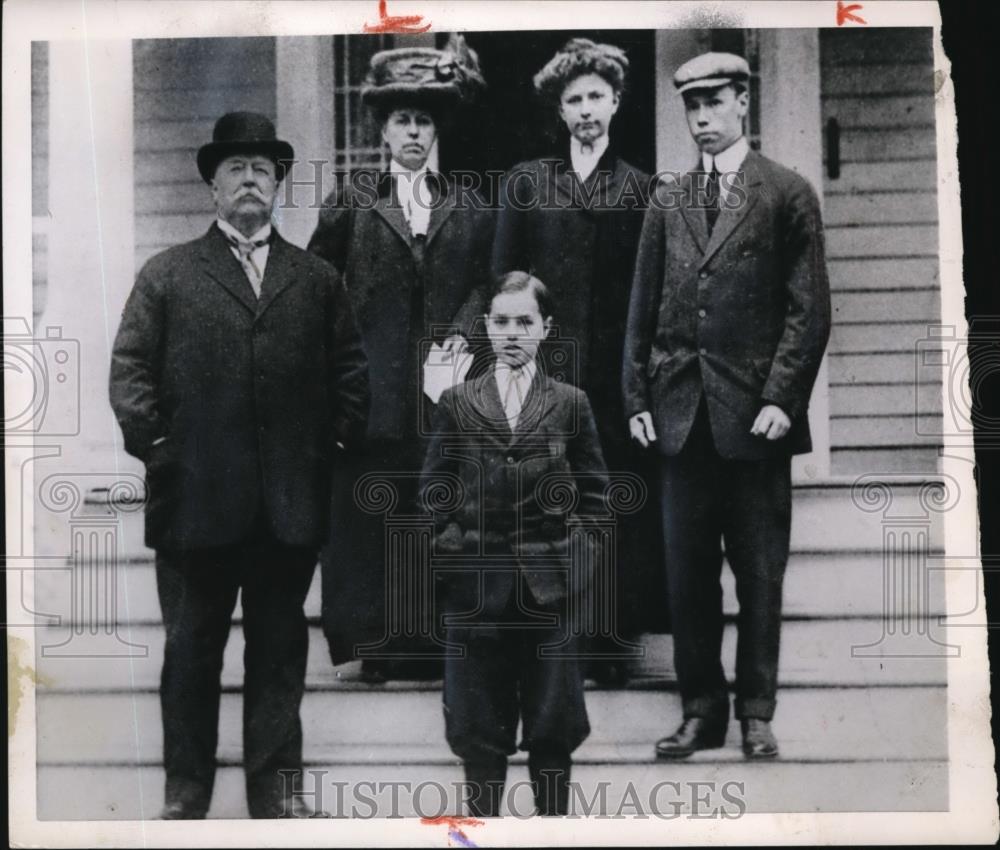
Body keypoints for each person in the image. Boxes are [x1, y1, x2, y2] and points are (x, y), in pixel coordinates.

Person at [109, 112, 369, 819]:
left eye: (263, 168)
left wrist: (327, 454)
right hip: (194, 506)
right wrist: (160, 452)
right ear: (212, 186)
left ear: (279, 183)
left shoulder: (314, 279)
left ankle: (277, 797)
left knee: (279, 659)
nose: (250, 178)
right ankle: (185, 795)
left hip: (286, 510)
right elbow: (130, 372)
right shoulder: (166, 275)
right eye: (235, 168)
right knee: (190, 658)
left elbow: (351, 375)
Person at [622, 53, 831, 760]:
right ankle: (701, 711)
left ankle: (756, 715)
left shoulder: (787, 193)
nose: (703, 117)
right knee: (687, 580)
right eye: (692, 106)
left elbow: (809, 313)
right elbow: (642, 311)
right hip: (681, 418)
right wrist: (636, 397)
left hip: (755, 422)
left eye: (716, 102)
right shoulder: (667, 199)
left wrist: (782, 399)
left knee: (760, 575)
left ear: (744, 101)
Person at [308, 36, 494, 682]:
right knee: (375, 512)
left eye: (423, 120)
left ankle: (441, 643)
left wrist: (466, 337)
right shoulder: (351, 204)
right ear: (383, 130)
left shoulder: (469, 206)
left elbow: (489, 283)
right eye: (401, 120)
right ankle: (381, 646)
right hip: (372, 389)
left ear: (435, 129)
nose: (413, 132)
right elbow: (317, 288)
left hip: (446, 390)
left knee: (439, 507)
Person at [491, 38, 664, 684]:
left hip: (617, 378)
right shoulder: (528, 182)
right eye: (574, 100)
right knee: (544, 501)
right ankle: (548, 640)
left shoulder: (642, 188)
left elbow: (654, 292)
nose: (586, 110)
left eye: (596, 96)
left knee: (611, 498)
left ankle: (609, 644)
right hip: (548, 373)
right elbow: (506, 280)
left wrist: (639, 374)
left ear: (615, 103)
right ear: (559, 111)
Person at [422, 271, 608, 816]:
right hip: (475, 589)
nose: (511, 333)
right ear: (485, 327)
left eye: (524, 322)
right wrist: (453, 554)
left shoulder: (571, 403)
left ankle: (551, 829)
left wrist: (575, 560)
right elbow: (434, 493)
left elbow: (597, 497)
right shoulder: (457, 402)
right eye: (500, 322)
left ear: (546, 328)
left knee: (552, 724)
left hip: (549, 589)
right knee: (478, 726)